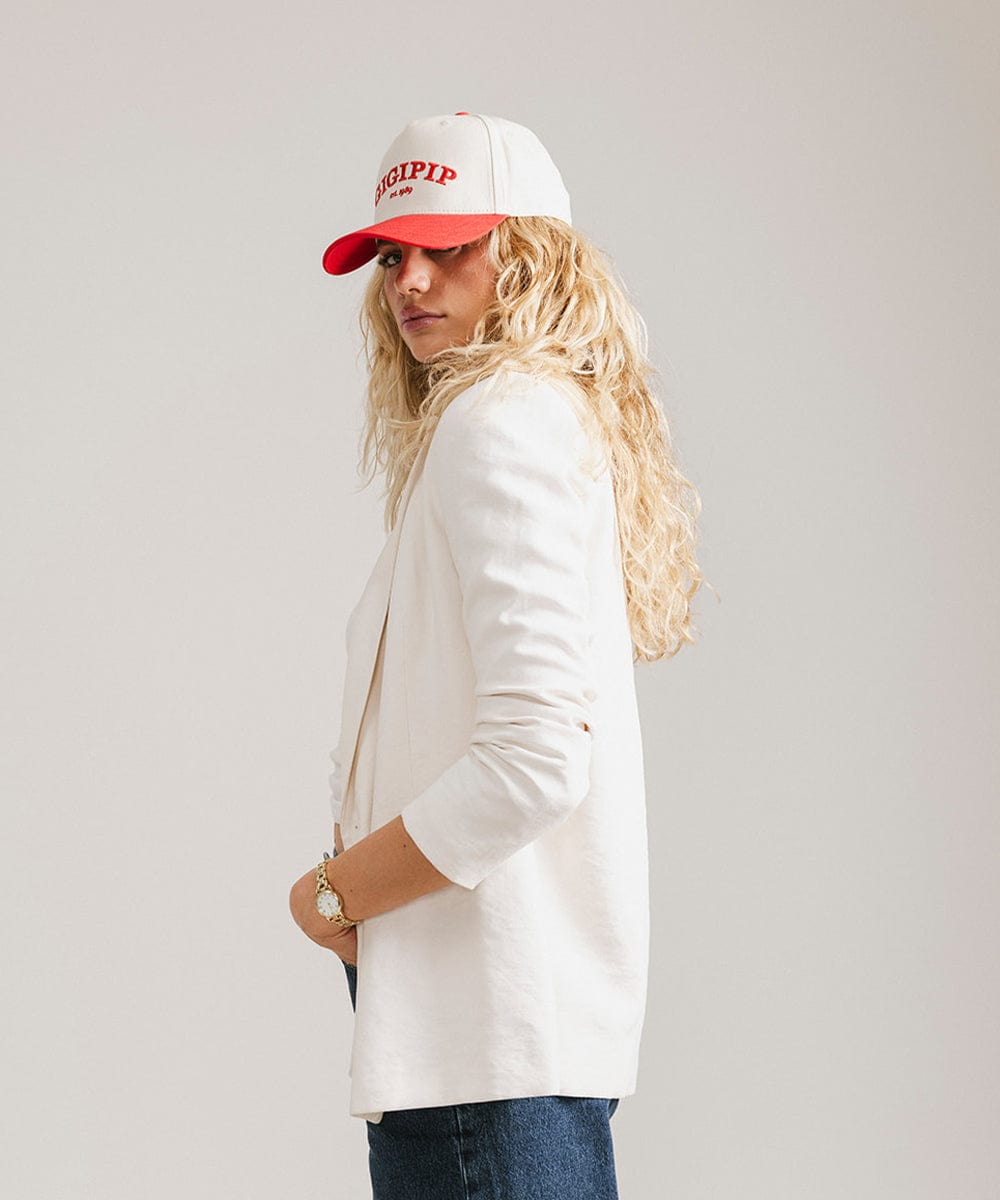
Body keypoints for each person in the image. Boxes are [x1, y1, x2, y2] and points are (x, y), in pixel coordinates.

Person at [289, 112, 704, 1200]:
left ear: (528, 251)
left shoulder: (500, 425)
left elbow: (533, 757)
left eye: (449, 246)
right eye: (391, 254)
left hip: (486, 1051)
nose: (411, 279)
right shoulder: (517, 418)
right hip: (488, 1038)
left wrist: (331, 896)